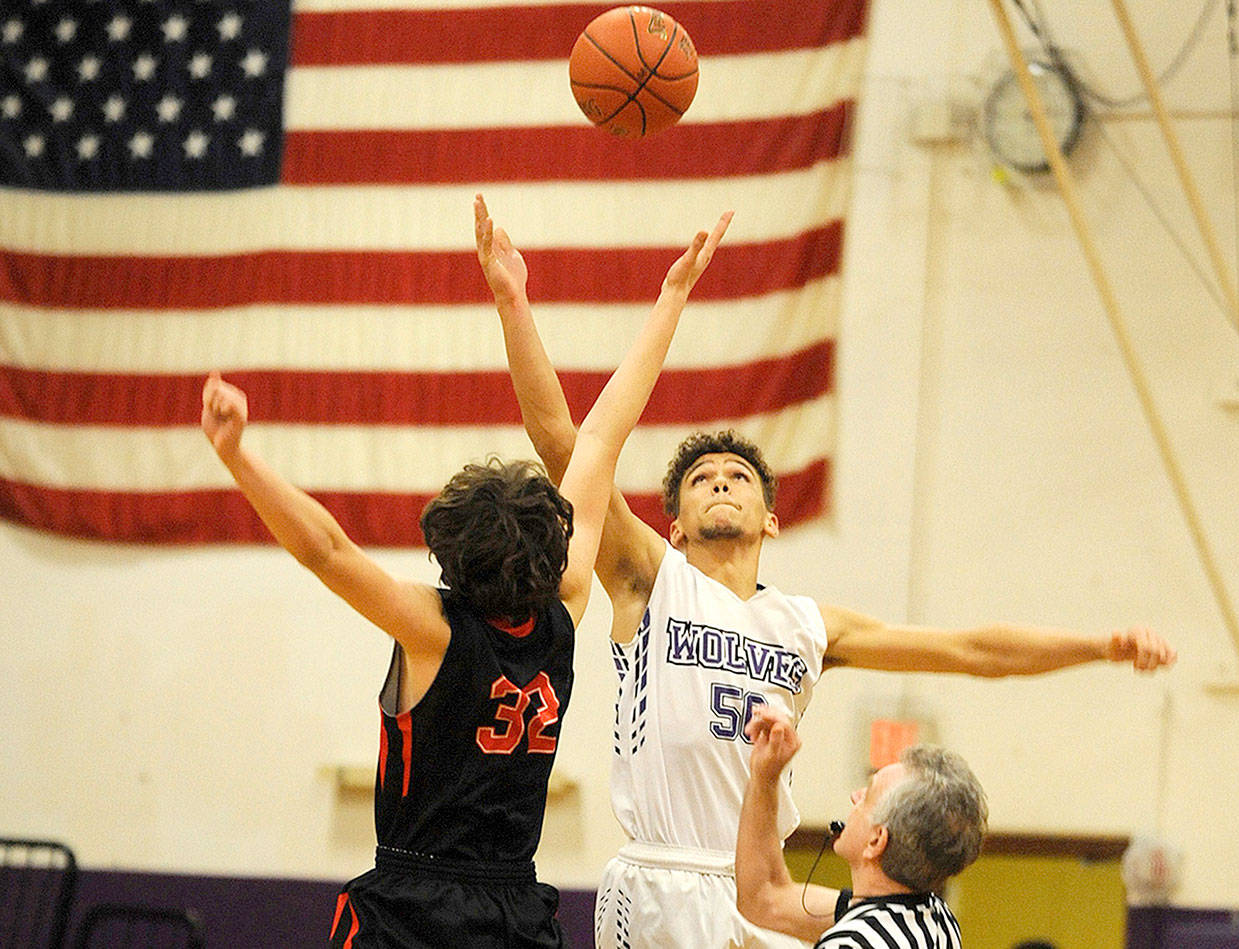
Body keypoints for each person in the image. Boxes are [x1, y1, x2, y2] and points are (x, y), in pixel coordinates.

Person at [479, 202, 1178, 949]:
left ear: (771, 518)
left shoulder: (810, 625)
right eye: (703, 477)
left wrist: (1099, 644)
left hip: (762, 885)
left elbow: (973, 651)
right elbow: (562, 440)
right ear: (674, 523)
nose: (721, 482)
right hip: (662, 879)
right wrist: (513, 302)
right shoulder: (650, 577)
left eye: (739, 475)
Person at [199, 194, 732, 949]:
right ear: (552, 545)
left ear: (449, 556)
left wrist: (237, 457)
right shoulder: (566, 604)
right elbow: (605, 431)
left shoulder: (431, 627)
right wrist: (668, 296)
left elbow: (327, 549)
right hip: (515, 907)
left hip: (411, 904)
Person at [736, 704, 986, 948]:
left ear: (876, 841)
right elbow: (766, 899)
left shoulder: (851, 942)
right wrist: (765, 777)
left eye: (868, 795)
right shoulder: (938, 918)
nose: (855, 795)